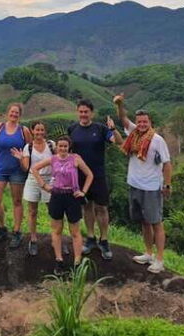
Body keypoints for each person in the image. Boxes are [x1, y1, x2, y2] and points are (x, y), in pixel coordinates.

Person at [116, 95, 172, 274]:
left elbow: (167, 163)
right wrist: (119, 104)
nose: (141, 124)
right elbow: (123, 119)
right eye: (139, 121)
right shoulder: (134, 134)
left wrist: (167, 185)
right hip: (135, 184)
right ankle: (148, 253)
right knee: (144, 222)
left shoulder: (157, 140)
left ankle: (160, 259)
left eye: (144, 122)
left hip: (151, 187)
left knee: (156, 222)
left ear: (150, 122)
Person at [68, 99, 124, 260]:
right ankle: (91, 237)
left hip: (98, 175)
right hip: (79, 176)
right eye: (81, 111)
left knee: (102, 208)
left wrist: (113, 128)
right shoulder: (72, 129)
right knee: (86, 207)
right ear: (77, 112)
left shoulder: (100, 129)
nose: (83, 114)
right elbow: (65, 150)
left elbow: (118, 142)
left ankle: (104, 240)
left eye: (86, 112)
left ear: (91, 113)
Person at [32, 135, 93, 275]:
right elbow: (34, 168)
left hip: (72, 196)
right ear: (57, 147)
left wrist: (83, 191)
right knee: (57, 230)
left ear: (69, 147)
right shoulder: (53, 159)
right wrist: (43, 185)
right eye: (60, 146)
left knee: (75, 231)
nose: (63, 148)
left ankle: (77, 261)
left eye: (65, 146)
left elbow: (89, 174)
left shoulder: (75, 158)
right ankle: (59, 260)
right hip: (57, 196)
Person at [0, 102, 32, 248]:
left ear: (20, 115)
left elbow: (29, 150)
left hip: (17, 171)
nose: (14, 115)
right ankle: (2, 228)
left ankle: (17, 231)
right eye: (12, 112)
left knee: (17, 201)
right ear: (7, 112)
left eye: (17, 113)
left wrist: (25, 163)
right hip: (0, 169)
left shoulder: (23, 130)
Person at [18, 121, 55, 255]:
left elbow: (58, 160)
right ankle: (33, 238)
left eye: (42, 130)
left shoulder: (51, 145)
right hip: (33, 180)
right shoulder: (28, 147)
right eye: (37, 130)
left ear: (45, 131)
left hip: (49, 179)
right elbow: (26, 167)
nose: (39, 132)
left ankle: (55, 238)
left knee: (53, 211)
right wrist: (20, 158)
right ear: (32, 131)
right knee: (32, 211)